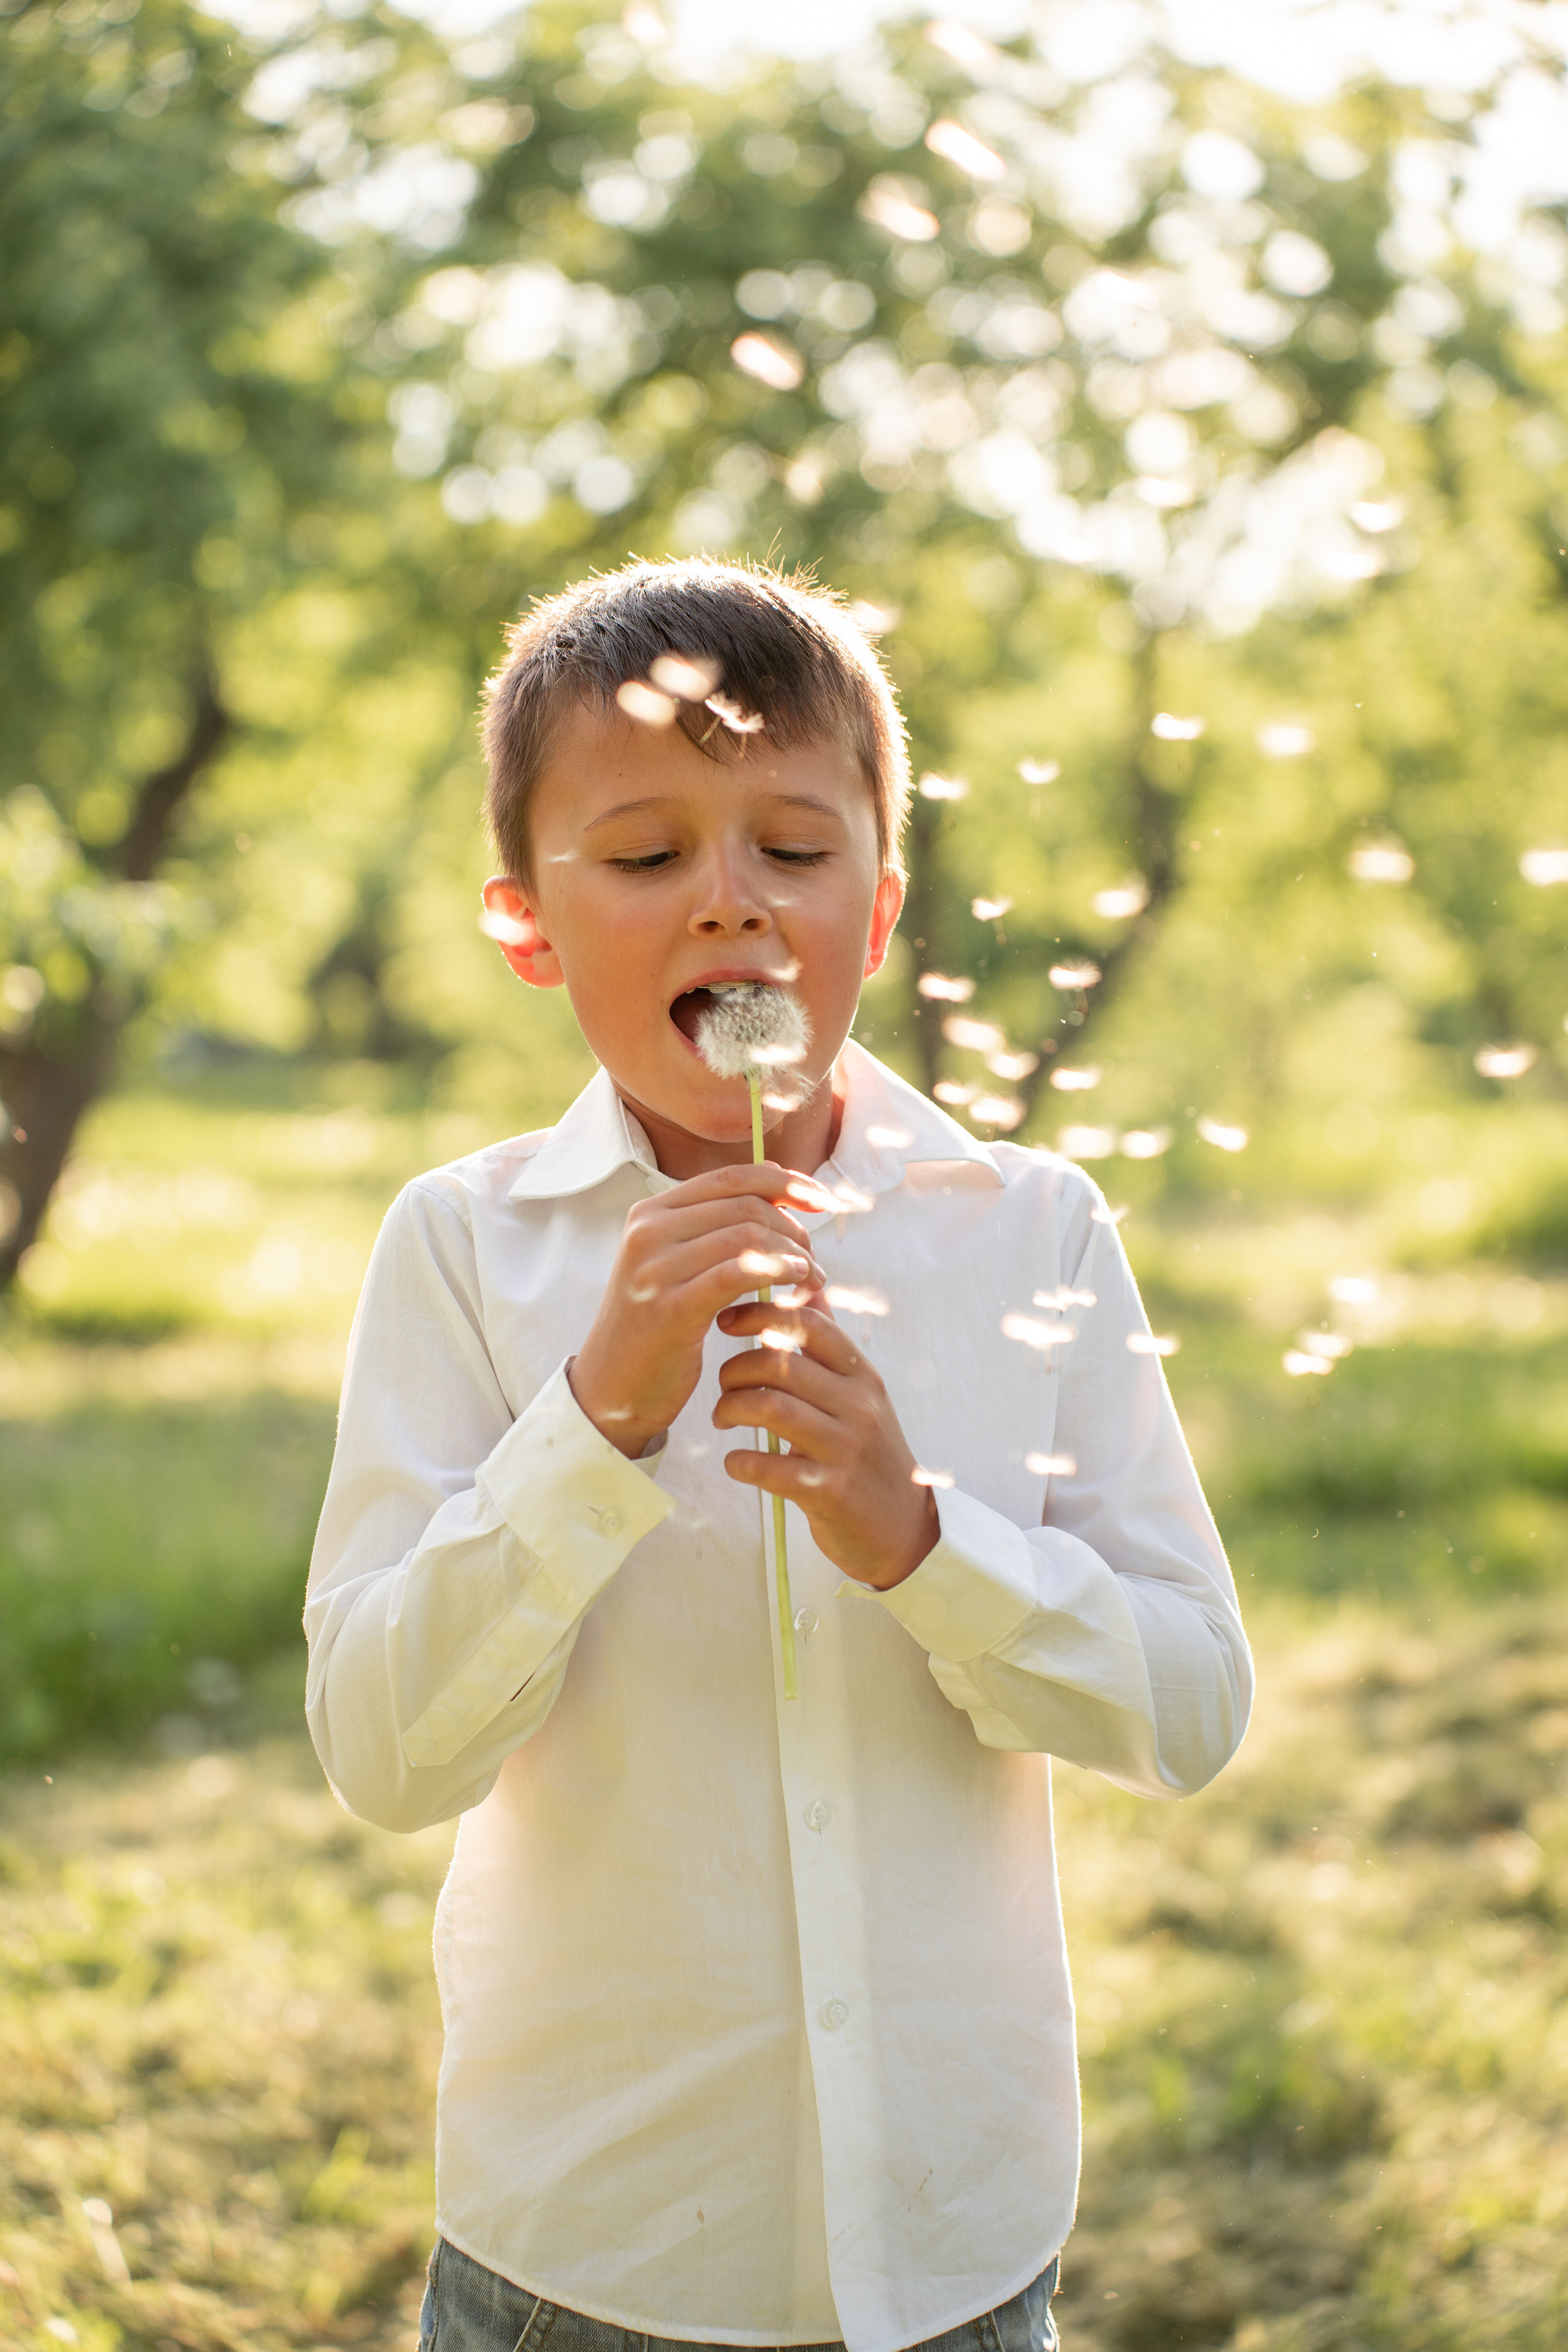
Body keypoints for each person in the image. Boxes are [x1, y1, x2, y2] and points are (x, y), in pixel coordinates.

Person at [304, 557, 1252, 2352]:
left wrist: (916, 1538)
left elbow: (1192, 1708)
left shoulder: (1027, 1228)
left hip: (954, 2246)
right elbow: (382, 1751)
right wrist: (593, 1423)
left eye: (793, 853)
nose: (730, 904)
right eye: (649, 856)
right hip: (582, 2249)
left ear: (879, 913)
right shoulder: (460, 1247)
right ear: (529, 929)